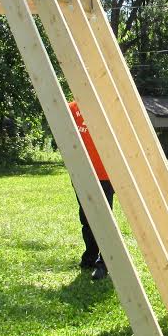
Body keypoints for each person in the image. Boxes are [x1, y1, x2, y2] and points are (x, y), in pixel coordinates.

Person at [68, 100, 113, 281]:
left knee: (104, 219)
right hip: (81, 173)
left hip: (105, 173)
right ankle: (90, 256)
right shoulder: (70, 109)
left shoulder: (107, 105)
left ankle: (105, 262)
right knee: (86, 217)